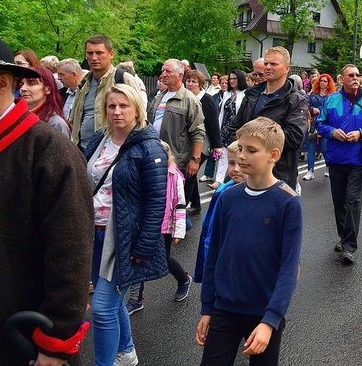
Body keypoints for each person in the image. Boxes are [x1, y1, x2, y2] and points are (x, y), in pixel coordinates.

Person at [0, 34, 93, 366]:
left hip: (20, 342)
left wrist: (55, 343)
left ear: (3, 83)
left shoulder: (49, 151)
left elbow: (71, 254)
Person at [196, 118, 303, 365]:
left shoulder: (288, 202)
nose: (242, 156)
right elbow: (214, 255)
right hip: (224, 308)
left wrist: (270, 320)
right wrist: (207, 307)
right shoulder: (228, 198)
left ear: (273, 155)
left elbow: (289, 267)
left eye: (251, 150)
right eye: (241, 148)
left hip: (263, 312)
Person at [83, 84, 169, 366]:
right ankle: (126, 352)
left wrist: (144, 244)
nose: (117, 111)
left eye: (123, 106)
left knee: (102, 308)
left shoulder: (149, 146)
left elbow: (157, 200)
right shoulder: (100, 138)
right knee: (114, 301)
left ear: (137, 110)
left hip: (121, 238)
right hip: (93, 232)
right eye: (111, 106)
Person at [317, 64, 362, 264]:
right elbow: (320, 123)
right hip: (336, 158)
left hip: (358, 159)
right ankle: (343, 236)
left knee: (353, 200)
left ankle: (349, 246)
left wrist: (361, 133)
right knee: (339, 201)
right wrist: (332, 132)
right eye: (351, 75)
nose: (355, 78)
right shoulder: (331, 100)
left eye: (357, 75)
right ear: (341, 79)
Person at [227, 47, 308, 189]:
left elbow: (295, 138)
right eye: (266, 63)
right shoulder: (252, 95)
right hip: (245, 172)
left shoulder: (296, 100)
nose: (268, 67)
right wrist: (242, 150)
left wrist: (255, 145)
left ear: (286, 68)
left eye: (274, 64)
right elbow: (235, 127)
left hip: (277, 174)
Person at [125, 140, 191, 315]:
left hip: (165, 227)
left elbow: (179, 204)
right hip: (145, 224)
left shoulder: (174, 175)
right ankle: (136, 299)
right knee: (138, 260)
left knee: (164, 261)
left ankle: (184, 279)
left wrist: (178, 230)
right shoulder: (145, 172)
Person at [147, 59, 206, 215]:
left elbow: (198, 131)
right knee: (158, 201)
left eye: (168, 71)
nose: (163, 74)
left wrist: (195, 160)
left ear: (180, 75)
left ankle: (177, 231)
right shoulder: (159, 96)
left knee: (175, 203)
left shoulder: (190, 100)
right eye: (163, 71)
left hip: (176, 160)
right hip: (156, 156)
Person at [70, 35, 143, 151]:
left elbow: (141, 118)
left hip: (111, 151)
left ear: (111, 54)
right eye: (90, 53)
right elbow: (74, 119)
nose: (94, 57)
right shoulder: (83, 83)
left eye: (99, 53)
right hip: (81, 151)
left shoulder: (124, 79)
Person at [193, 139, 247, 284]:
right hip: (218, 254)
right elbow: (211, 226)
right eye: (231, 163)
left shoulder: (252, 196)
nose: (235, 169)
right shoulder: (223, 191)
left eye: (241, 164)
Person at [184, 70, 223, 193]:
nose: (190, 84)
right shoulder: (185, 97)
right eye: (188, 81)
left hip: (203, 141)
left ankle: (183, 207)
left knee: (190, 173)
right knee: (191, 173)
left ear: (200, 84)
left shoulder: (207, 100)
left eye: (194, 81)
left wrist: (217, 145)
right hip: (187, 140)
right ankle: (196, 204)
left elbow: (214, 123)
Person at [214, 69, 248, 187]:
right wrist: (218, 128)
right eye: (230, 79)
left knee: (235, 154)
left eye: (235, 79)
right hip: (225, 127)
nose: (232, 81)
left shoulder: (245, 94)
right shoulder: (226, 93)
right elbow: (222, 112)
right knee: (223, 154)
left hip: (237, 128)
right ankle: (219, 180)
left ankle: (236, 178)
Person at [19, 66, 72, 138]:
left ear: (48, 89)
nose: (23, 88)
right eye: (21, 84)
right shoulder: (17, 117)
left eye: (31, 83)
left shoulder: (56, 123)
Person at [302, 73, 336, 181]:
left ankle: (328, 166)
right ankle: (310, 170)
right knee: (311, 148)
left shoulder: (332, 96)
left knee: (324, 148)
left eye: (325, 81)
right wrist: (312, 109)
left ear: (328, 83)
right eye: (321, 81)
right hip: (313, 124)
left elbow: (333, 110)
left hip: (326, 125)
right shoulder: (313, 94)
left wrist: (321, 111)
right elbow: (306, 106)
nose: (322, 83)